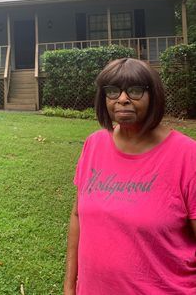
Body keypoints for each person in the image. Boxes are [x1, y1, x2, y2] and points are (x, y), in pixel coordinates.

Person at [64, 58, 196, 294]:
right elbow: (77, 216)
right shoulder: (94, 144)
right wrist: (69, 286)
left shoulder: (187, 156)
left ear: (153, 96)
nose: (122, 99)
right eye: (113, 91)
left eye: (135, 91)